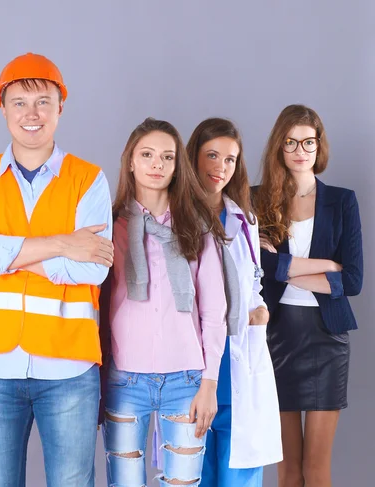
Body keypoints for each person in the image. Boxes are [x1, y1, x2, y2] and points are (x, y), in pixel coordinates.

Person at [0, 52, 113, 487]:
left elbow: (94, 269)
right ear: (3, 108)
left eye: (43, 101)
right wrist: (63, 245)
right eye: (19, 102)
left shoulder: (89, 179)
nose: (31, 113)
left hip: (68, 368)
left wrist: (11, 255)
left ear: (61, 106)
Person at [99, 117, 228, 487]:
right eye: (147, 154)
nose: (157, 164)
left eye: (167, 157)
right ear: (131, 162)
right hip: (125, 379)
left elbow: (214, 311)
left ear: (176, 166)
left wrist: (209, 384)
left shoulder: (196, 225)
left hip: (187, 379)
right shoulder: (108, 225)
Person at [254, 104, 363, 487]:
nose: (300, 149)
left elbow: (351, 280)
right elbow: (258, 271)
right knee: (287, 471)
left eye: (308, 142)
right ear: (279, 148)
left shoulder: (342, 201)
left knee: (316, 470)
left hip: (327, 339)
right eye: (291, 142)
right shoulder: (256, 201)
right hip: (275, 338)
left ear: (319, 146)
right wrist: (324, 267)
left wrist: (284, 266)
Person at [187, 118, 282, 486]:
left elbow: (251, 280)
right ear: (193, 156)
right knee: (193, 475)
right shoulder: (175, 216)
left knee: (239, 478)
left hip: (239, 361)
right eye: (212, 155)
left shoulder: (245, 219)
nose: (220, 168)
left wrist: (262, 310)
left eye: (230, 159)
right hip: (195, 366)